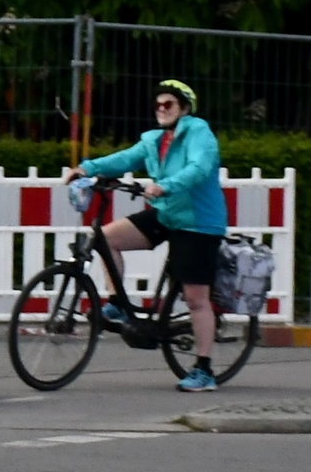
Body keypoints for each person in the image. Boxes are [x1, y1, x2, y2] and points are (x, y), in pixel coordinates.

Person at [68, 79, 228, 391]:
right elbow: (125, 158)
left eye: (168, 104)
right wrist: (86, 168)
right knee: (106, 237)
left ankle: (204, 370)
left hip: (198, 222)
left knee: (196, 298)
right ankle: (116, 301)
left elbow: (199, 167)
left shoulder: (198, 133)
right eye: (158, 104)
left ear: (184, 108)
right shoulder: (155, 140)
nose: (161, 109)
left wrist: (166, 185)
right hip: (167, 213)